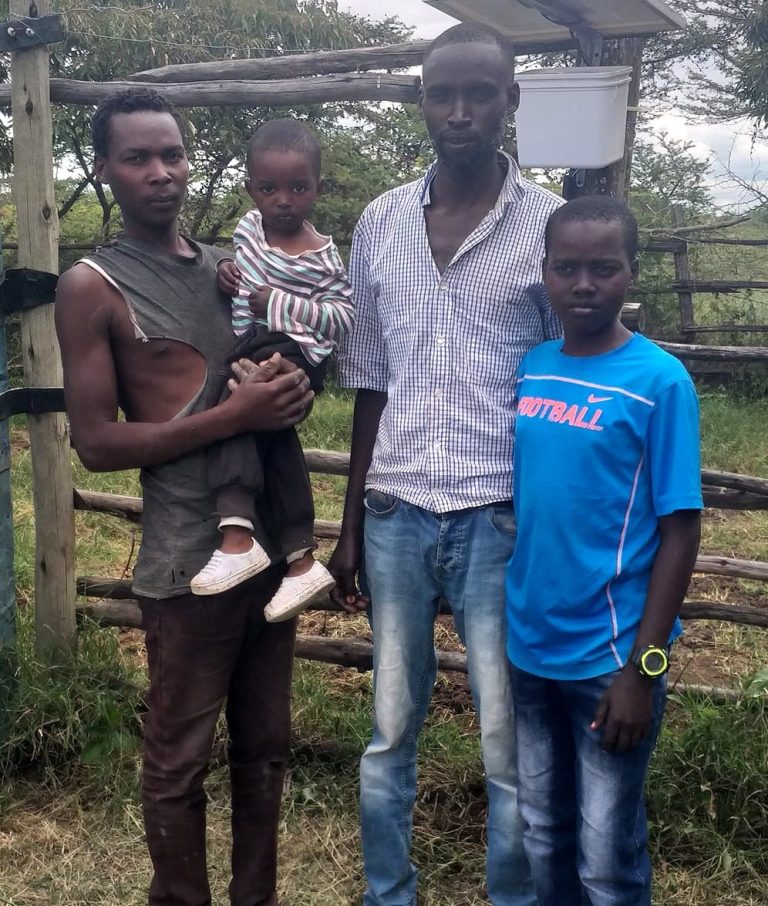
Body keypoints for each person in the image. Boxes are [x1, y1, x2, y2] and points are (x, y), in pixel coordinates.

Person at [55, 87, 314, 906]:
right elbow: (96, 442)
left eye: (172, 154)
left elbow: (283, 357)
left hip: (268, 549)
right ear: (105, 171)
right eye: (137, 158)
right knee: (178, 759)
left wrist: (292, 392)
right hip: (186, 561)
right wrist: (230, 417)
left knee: (266, 748)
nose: (160, 172)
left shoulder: (227, 268)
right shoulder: (93, 286)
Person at [328, 22, 562, 906]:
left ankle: (514, 895)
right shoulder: (381, 220)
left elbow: (567, 381)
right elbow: (370, 383)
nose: (459, 111)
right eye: (442, 93)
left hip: (501, 516)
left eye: (479, 93)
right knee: (391, 730)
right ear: (421, 100)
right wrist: (348, 524)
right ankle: (389, 894)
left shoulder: (546, 225)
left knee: (506, 741)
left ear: (510, 100)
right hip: (393, 513)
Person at [506, 196, 703, 906]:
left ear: (631, 273)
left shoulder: (659, 382)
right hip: (529, 648)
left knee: (606, 860)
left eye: (603, 267)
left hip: (611, 658)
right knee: (543, 834)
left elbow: (681, 528)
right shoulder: (534, 365)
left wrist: (643, 671)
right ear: (546, 273)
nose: (583, 283)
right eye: (567, 268)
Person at [190, 119, 353, 623]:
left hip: (295, 352)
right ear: (251, 189)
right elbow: (237, 273)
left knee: (235, 402)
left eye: (298, 187)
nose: (283, 199)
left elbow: (342, 318)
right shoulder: (248, 229)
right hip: (250, 341)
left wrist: (277, 301)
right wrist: (226, 273)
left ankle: (237, 536)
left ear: (318, 188)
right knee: (269, 433)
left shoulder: (324, 257)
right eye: (269, 188)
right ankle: (300, 559)